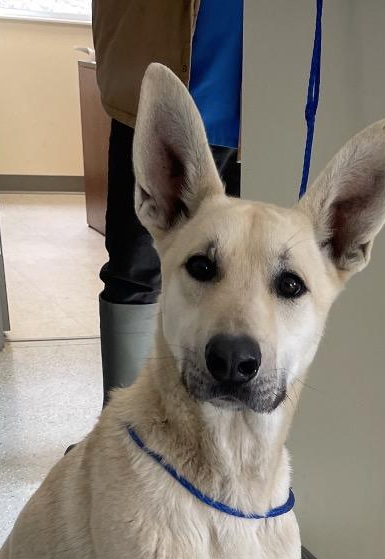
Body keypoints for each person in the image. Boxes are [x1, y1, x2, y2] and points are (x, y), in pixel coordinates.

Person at [91, 0, 243, 401]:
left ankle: (232, 449)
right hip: (159, 83)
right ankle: (121, 431)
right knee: (136, 268)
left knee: (258, 270)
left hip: (267, 98)